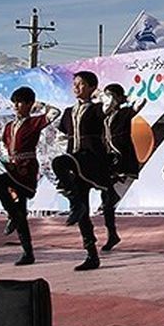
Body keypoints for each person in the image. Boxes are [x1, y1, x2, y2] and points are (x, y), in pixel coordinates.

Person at [0, 87, 58, 266]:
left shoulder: (34, 122)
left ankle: (13, 217)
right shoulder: (9, 126)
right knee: (19, 210)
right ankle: (27, 251)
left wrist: (40, 105)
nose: (16, 106)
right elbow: (6, 145)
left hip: (26, 170)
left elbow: (55, 112)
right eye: (15, 102)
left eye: (20, 102)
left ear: (29, 104)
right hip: (13, 169)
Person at [51, 71, 107, 271]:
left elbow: (109, 112)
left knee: (59, 163)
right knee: (83, 209)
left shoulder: (97, 109)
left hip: (90, 159)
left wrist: (103, 99)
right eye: (75, 83)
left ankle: (75, 203)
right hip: (75, 161)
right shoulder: (68, 112)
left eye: (82, 84)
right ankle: (91, 254)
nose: (76, 87)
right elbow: (63, 132)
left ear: (92, 87)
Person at [98, 83, 145, 252]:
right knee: (106, 202)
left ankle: (112, 235)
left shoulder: (125, 113)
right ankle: (112, 235)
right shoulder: (103, 118)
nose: (107, 100)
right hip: (110, 165)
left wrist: (123, 99)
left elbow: (141, 101)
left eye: (110, 96)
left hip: (125, 164)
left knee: (109, 201)